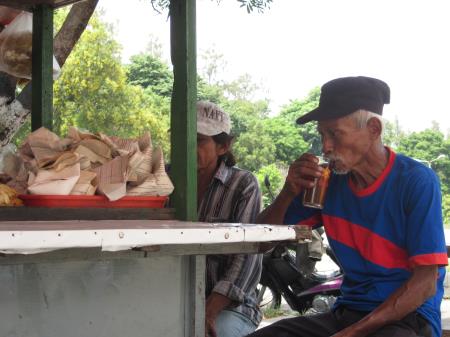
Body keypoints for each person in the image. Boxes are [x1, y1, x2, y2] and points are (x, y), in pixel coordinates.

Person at [247, 76, 448, 337]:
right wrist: (288, 192)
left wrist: (352, 333)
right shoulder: (328, 184)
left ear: (373, 129)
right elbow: (262, 243)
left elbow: (425, 283)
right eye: (322, 135)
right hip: (349, 313)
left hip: (408, 318)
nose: (326, 146)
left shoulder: (415, 181)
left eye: (335, 133)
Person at [196, 101, 263, 337]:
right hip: (176, 299)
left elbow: (247, 255)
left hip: (231, 307)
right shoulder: (167, 180)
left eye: (199, 140)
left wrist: (208, 312)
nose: (188, 146)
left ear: (223, 146)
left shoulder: (243, 184)